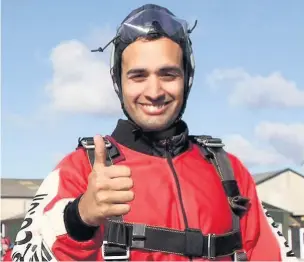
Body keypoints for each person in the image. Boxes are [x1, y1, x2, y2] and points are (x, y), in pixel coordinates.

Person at [12, 4, 296, 262]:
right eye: (138, 76)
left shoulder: (230, 172)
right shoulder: (79, 170)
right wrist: (78, 217)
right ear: (118, 83)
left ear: (188, 77)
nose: (154, 91)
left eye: (168, 74)